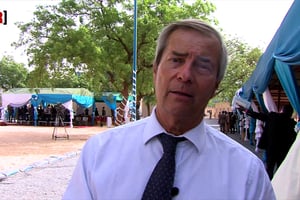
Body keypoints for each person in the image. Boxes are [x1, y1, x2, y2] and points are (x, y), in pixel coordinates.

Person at [63, 19, 275, 199]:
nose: (185, 75)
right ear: (156, 70)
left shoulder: (247, 175)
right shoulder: (99, 153)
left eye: (202, 66)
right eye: (176, 60)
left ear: (215, 87)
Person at [239, 104, 297, 179]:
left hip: (271, 148)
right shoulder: (293, 124)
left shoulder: (273, 116)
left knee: (269, 168)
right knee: (280, 168)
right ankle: (278, 182)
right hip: (284, 150)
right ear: (291, 113)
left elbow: (258, 115)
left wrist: (246, 110)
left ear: (282, 110)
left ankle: (269, 183)